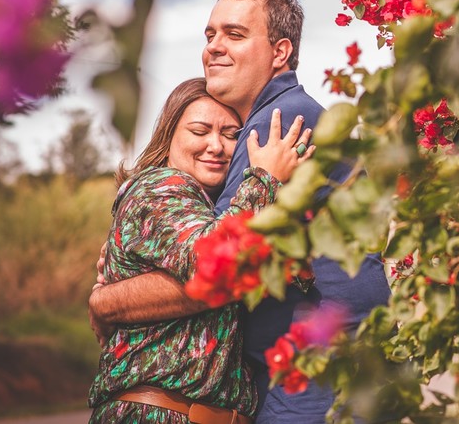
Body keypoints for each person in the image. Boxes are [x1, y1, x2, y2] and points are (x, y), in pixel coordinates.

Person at [89, 0, 391, 422]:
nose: (213, 45)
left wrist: (107, 300)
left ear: (280, 52)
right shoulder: (171, 184)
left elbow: (218, 267)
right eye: (210, 34)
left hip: (317, 368)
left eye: (234, 34)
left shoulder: (279, 123)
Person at [89, 77, 312, 423]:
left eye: (230, 134)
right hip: (157, 413)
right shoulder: (160, 186)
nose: (216, 146)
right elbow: (210, 261)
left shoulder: (213, 211)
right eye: (199, 131)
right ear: (168, 136)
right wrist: (265, 177)